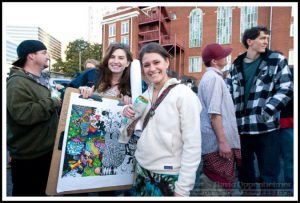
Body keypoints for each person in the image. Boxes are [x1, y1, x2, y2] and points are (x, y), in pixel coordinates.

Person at [122, 42, 201, 196]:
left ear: (167, 62)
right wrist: (127, 115)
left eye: (156, 62)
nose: (152, 69)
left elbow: (193, 145)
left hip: (168, 175)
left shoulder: (184, 94)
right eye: (146, 65)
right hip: (141, 171)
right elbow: (125, 135)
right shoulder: (143, 97)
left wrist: (183, 189)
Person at [226, 26, 293, 196]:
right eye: (262, 38)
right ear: (250, 41)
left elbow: (286, 88)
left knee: (268, 174)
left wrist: (268, 110)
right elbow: (227, 93)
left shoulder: (276, 59)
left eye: (267, 38)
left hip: (267, 128)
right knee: (245, 174)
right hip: (242, 129)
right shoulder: (236, 64)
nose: (266, 41)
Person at [7, 40, 61, 196]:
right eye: (44, 52)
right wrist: (53, 102)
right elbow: (23, 114)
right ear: (31, 56)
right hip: (30, 158)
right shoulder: (17, 83)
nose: (48, 56)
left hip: (47, 152)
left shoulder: (42, 79)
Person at [197, 43, 241, 196]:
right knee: (215, 187)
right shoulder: (214, 79)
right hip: (216, 145)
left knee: (216, 185)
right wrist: (223, 142)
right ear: (214, 61)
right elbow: (214, 113)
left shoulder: (210, 78)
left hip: (214, 143)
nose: (227, 57)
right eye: (223, 55)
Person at [279, 67, 294, 196]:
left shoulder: (290, 75)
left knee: (289, 158)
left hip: (287, 123)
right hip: (272, 125)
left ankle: (291, 188)